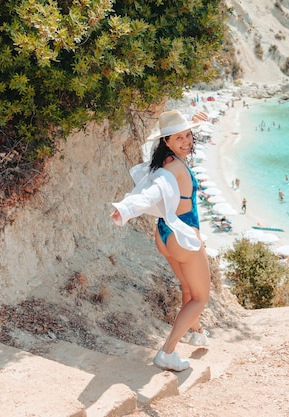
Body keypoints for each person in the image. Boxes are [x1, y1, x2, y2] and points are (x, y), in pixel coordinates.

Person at [110, 110, 211, 372]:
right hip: (183, 234)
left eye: (188, 136)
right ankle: (167, 352)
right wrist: (127, 209)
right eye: (180, 137)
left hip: (164, 234)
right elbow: (153, 193)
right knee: (200, 297)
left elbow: (168, 147)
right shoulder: (174, 168)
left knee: (188, 288)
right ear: (166, 140)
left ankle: (196, 331)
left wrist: (192, 122)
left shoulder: (164, 160)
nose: (187, 141)